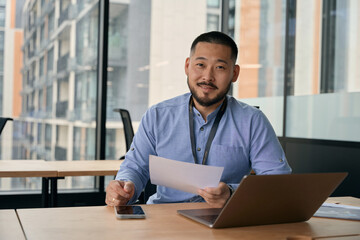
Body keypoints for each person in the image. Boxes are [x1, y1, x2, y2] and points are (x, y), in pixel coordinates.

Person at [105, 31, 291, 208]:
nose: (207, 77)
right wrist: (124, 187)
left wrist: (232, 193)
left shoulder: (252, 121)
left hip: (224, 220)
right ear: (187, 66)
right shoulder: (157, 116)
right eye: (200, 65)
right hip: (165, 221)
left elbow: (277, 182)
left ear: (234, 73)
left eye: (219, 67)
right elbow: (136, 167)